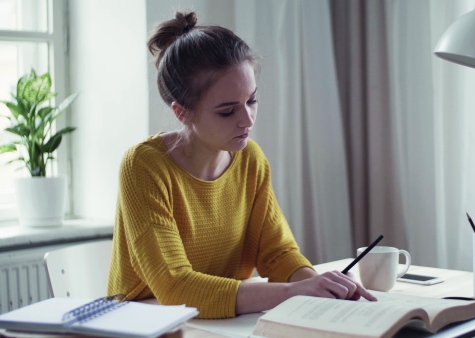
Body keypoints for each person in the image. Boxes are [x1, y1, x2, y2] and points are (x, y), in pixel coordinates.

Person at [107, 11, 376, 319]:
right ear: (182, 113)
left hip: (220, 324)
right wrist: (292, 292)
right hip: (144, 325)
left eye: (252, 101)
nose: (247, 120)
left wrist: (317, 285)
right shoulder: (144, 166)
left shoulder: (250, 159)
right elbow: (175, 287)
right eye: (227, 111)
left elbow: (278, 254)